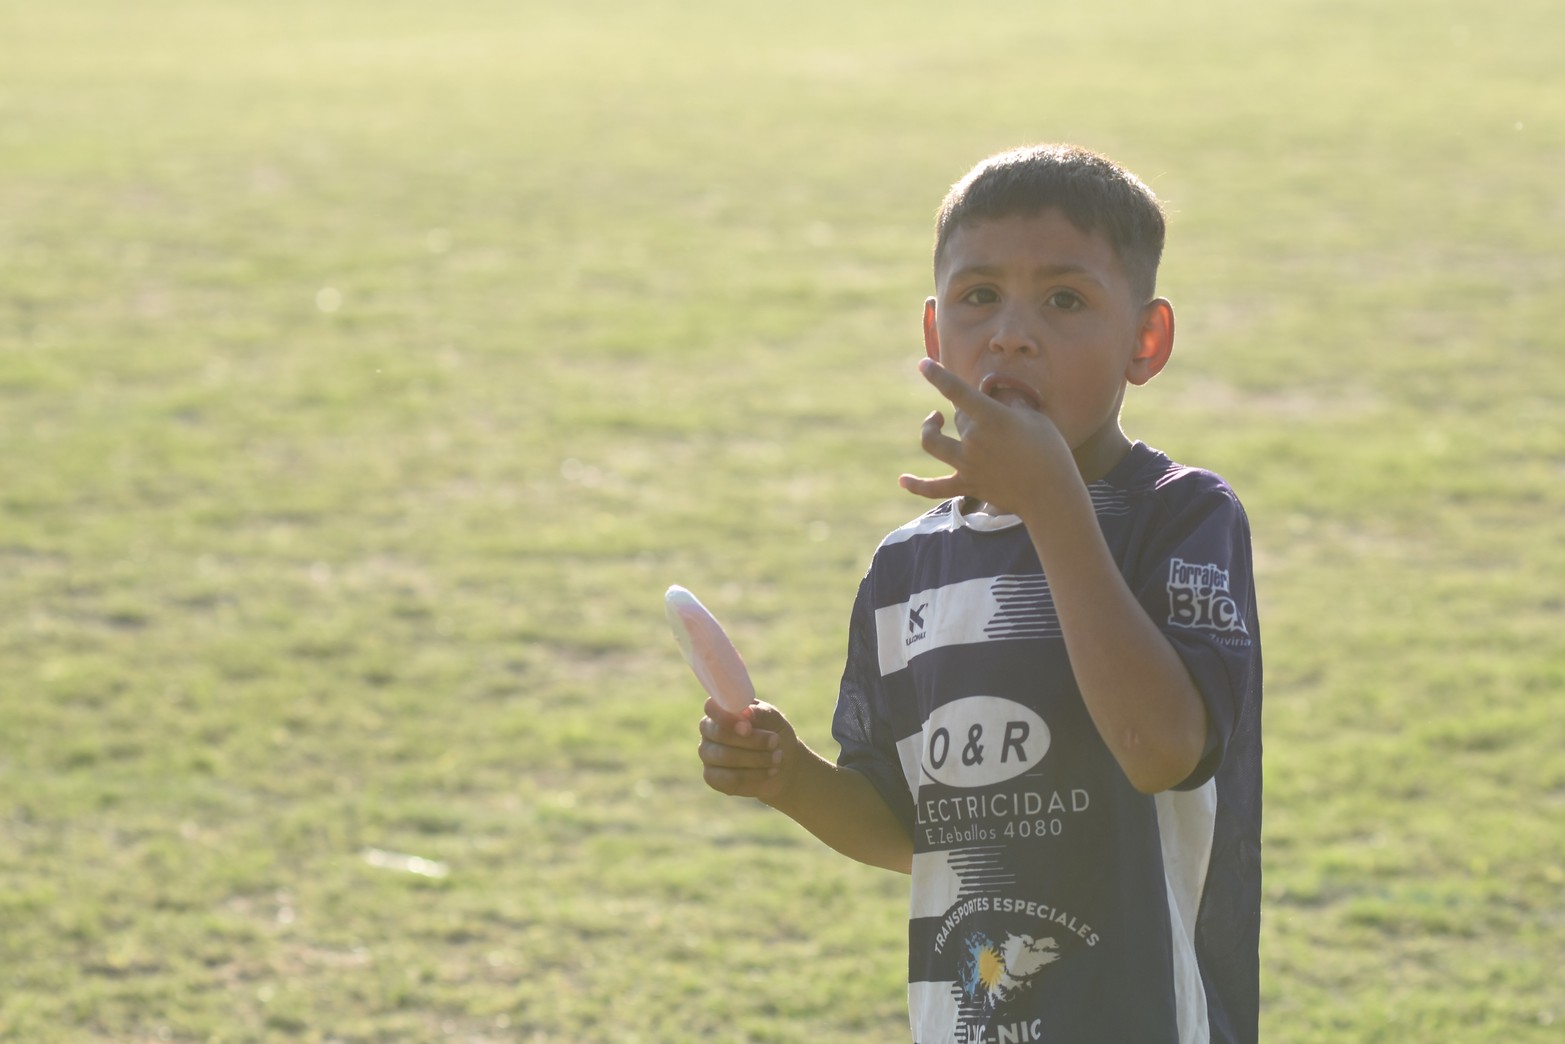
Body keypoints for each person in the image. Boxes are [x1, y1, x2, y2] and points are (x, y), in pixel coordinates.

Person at [697, 143, 1262, 1044]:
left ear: (1144, 343)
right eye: (978, 297)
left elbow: (1159, 748)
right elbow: (906, 829)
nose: (1010, 333)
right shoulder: (904, 569)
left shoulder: (1177, 516)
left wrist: (1050, 508)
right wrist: (788, 776)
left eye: (1064, 300)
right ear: (934, 336)